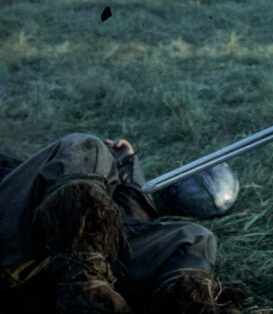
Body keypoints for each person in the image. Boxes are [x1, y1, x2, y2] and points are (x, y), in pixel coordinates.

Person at [0, 133, 249, 313]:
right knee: (83, 146)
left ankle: (187, 307)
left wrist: (128, 169)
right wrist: (87, 158)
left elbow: (129, 224)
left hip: (47, 276)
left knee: (193, 238)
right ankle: (85, 292)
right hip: (14, 252)